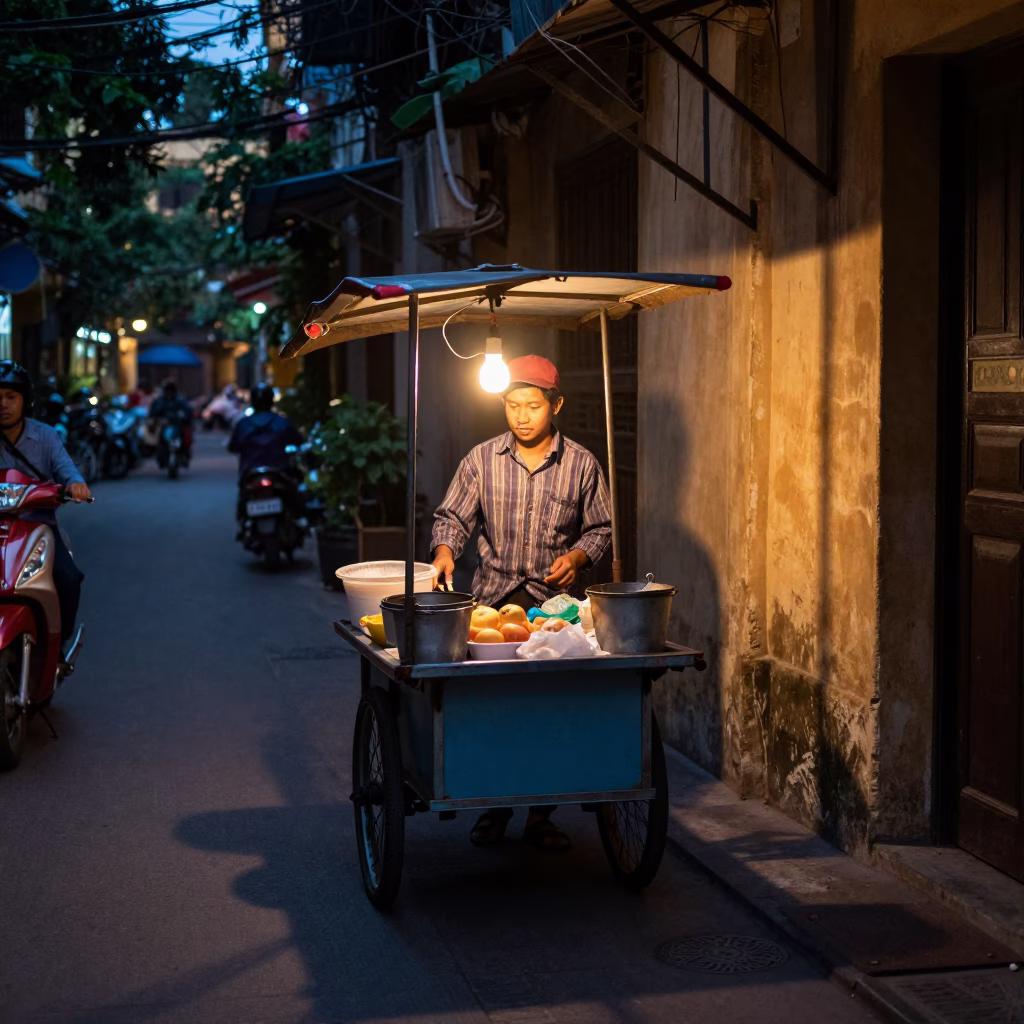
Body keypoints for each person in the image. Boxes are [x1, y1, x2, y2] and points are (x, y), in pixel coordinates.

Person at [431, 354, 612, 851]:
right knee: (494, 706)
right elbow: (452, 517)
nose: (522, 416)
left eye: (533, 405)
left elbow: (600, 528)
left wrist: (578, 557)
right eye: (513, 406)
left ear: (555, 404)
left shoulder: (581, 464)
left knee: (549, 710)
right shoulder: (480, 460)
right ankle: (495, 805)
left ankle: (540, 813)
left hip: (553, 610)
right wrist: (445, 552)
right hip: (492, 602)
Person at [0, 362, 91, 648]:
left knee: (67, 580)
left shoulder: (46, 436)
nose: (3, 404)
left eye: (11, 397)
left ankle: (57, 645)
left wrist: (75, 484)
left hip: (38, 526)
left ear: (25, 400)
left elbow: (66, 468)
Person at [226, 382, 303, 483]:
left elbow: (233, 446)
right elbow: (298, 441)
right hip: (280, 469)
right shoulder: (282, 422)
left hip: (250, 470)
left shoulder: (243, 424)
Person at [149, 379, 194, 462]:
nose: (169, 392)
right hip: (164, 425)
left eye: (171, 390)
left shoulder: (180, 400)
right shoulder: (160, 401)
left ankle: (184, 454)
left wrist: (184, 418)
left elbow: (188, 411)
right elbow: (154, 412)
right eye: (168, 390)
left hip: (177, 425)